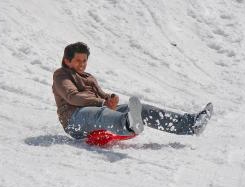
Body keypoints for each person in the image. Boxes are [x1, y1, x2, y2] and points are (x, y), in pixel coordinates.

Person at [52, 42, 213, 139]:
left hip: (95, 113)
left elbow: (101, 96)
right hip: (74, 120)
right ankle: (128, 125)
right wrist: (102, 102)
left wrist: (109, 98)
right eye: (78, 61)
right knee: (99, 113)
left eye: (84, 61)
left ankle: (191, 124)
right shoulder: (61, 75)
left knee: (140, 109)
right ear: (67, 60)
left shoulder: (89, 77)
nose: (82, 64)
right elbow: (72, 97)